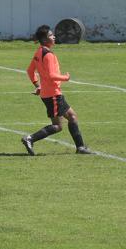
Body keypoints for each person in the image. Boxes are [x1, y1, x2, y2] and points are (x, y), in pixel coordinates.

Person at [21, 25, 91, 155]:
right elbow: (51, 75)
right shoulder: (48, 55)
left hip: (49, 93)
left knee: (72, 116)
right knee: (58, 126)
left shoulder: (39, 52)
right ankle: (30, 138)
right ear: (44, 39)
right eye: (51, 35)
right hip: (53, 94)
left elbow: (30, 71)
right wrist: (66, 77)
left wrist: (38, 86)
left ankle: (80, 147)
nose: (54, 36)